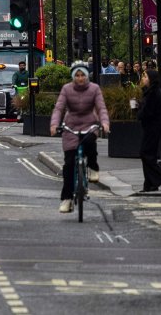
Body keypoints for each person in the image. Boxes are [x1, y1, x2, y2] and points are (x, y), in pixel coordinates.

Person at [50, 63, 110, 213]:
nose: (80, 78)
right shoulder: (66, 89)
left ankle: (93, 167)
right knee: (69, 165)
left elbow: (101, 108)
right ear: (73, 77)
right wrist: (54, 124)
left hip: (89, 124)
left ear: (87, 76)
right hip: (71, 127)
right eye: (77, 75)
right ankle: (67, 199)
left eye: (83, 75)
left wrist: (104, 123)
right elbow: (59, 108)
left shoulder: (94, 89)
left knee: (90, 143)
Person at [136, 69, 161, 192]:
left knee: (145, 153)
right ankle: (150, 184)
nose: (143, 79)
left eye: (145, 76)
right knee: (148, 155)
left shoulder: (154, 93)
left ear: (151, 79)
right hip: (151, 127)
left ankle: (159, 178)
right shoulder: (151, 91)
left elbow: (148, 112)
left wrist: (138, 112)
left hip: (153, 127)